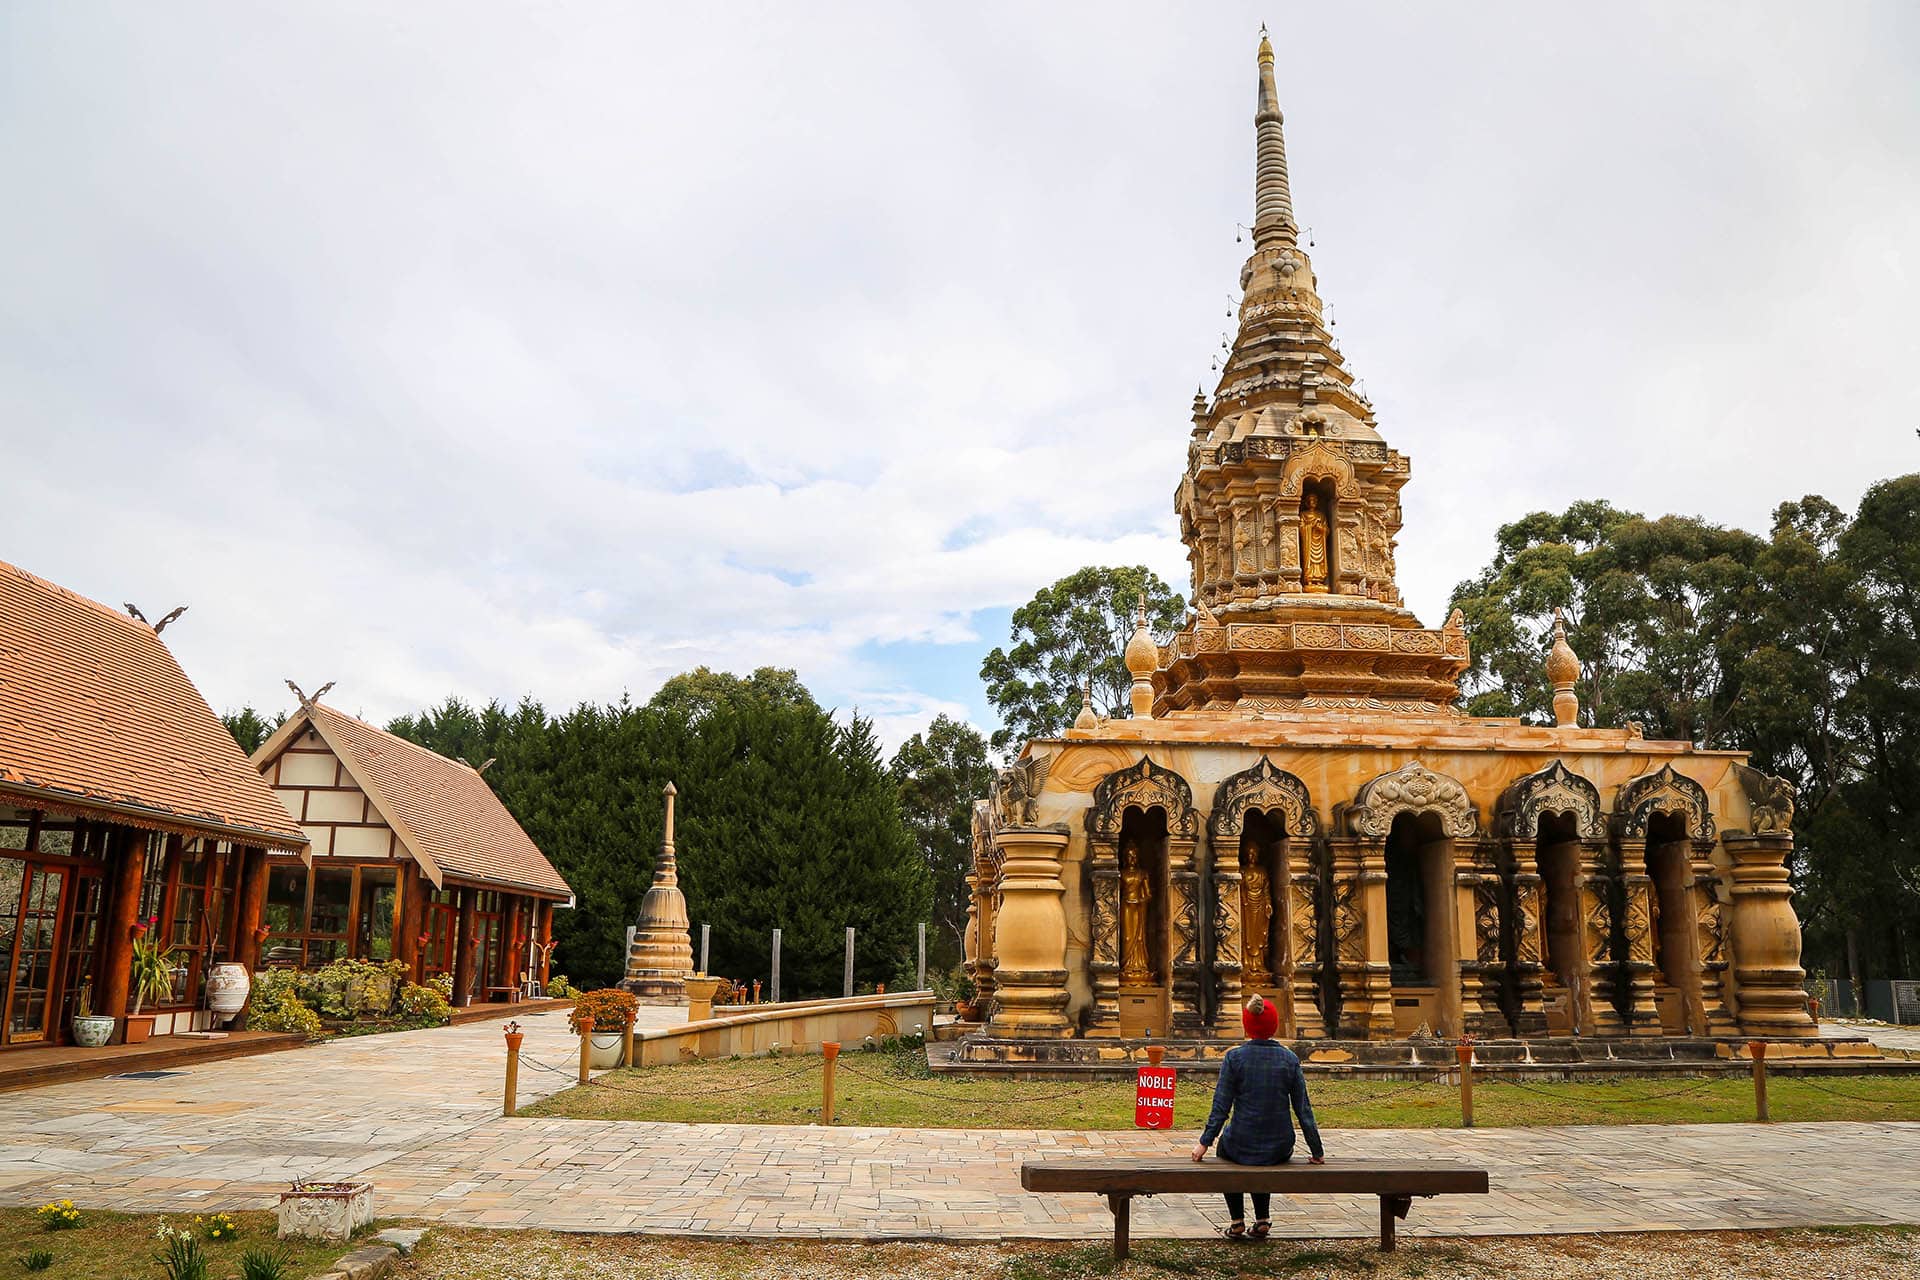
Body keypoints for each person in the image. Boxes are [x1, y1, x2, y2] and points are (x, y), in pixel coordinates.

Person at [1189, 993, 1325, 1240]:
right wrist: (1317, 1151)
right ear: (1274, 1026)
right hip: (1280, 1147)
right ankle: (1262, 1218)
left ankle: (1237, 1220)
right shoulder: (1289, 1058)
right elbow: (1303, 1109)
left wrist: (1204, 1143)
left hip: (1240, 1143)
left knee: (1227, 1152)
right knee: (1263, 1151)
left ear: (1247, 1026)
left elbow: (1221, 1106)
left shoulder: (1235, 1057)